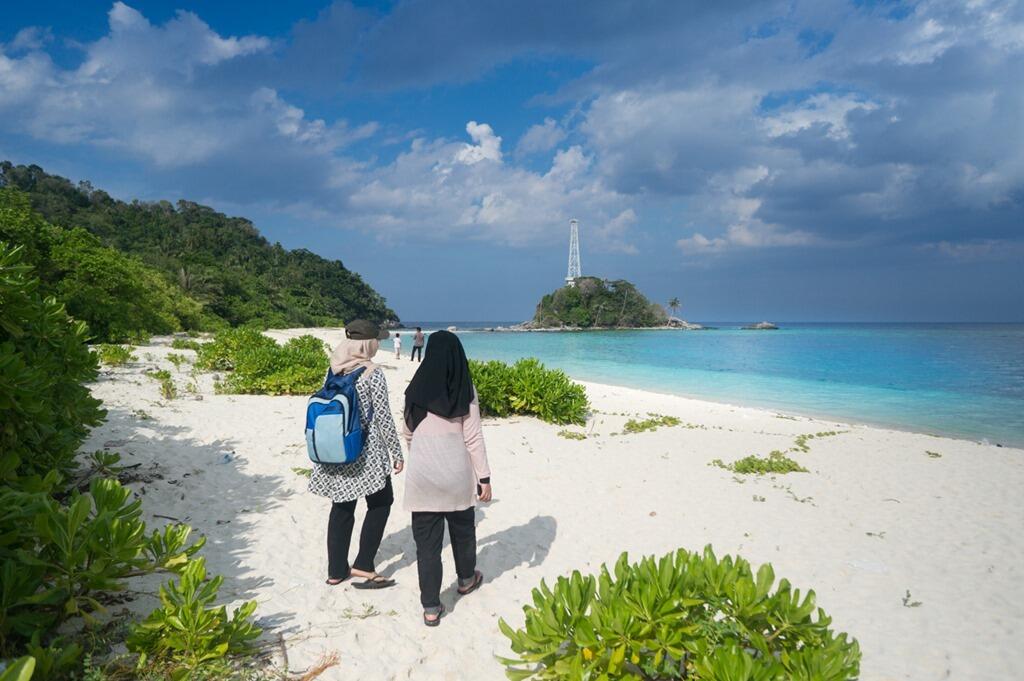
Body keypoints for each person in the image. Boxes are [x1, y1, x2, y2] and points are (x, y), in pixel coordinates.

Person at [402, 330, 491, 626]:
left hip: (422, 478)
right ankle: (466, 580)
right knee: (463, 531)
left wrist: (421, 456)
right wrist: (484, 478)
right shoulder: (465, 388)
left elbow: (409, 433)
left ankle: (430, 607)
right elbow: (473, 438)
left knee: (427, 545)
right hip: (456, 477)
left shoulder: (415, 388)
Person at [308, 319, 404, 589]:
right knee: (382, 502)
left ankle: (336, 571)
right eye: (377, 340)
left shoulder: (335, 368)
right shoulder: (372, 373)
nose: (378, 345)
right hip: (367, 452)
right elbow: (384, 417)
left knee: (342, 506)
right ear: (368, 343)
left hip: (338, 449)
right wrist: (397, 453)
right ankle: (363, 563)